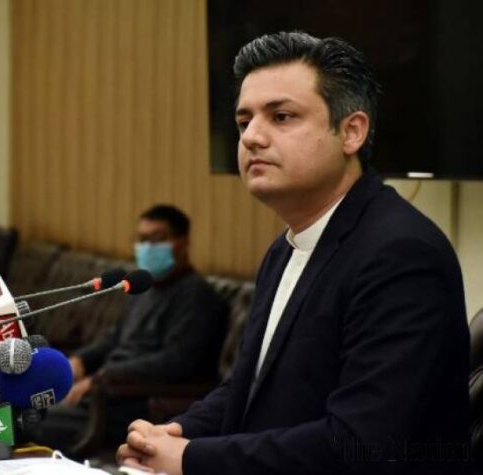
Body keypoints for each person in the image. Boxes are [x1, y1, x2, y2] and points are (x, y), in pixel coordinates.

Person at [117, 31, 470, 475]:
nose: (251, 138)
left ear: (352, 131)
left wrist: (190, 458)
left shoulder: (401, 254)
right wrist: (173, 433)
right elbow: (249, 388)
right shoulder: (285, 249)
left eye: (281, 117)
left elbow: (361, 443)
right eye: (244, 121)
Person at [39, 204, 227, 452]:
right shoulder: (143, 289)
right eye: (142, 239)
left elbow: (176, 362)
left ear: (182, 243)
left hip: (132, 402)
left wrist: (102, 377)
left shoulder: (197, 295)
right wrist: (79, 362)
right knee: (16, 409)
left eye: (157, 239)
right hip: (101, 394)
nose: (148, 247)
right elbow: (114, 340)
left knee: (29, 423)